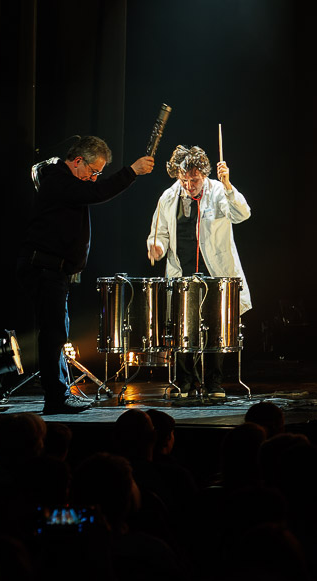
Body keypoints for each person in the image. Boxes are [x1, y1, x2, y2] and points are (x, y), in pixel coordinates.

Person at [20, 135, 154, 414]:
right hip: (46, 271)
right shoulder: (58, 180)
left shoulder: (66, 182)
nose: (93, 178)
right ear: (78, 161)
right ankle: (55, 398)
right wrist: (132, 171)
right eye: (93, 172)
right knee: (53, 335)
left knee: (58, 334)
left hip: (55, 273)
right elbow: (96, 193)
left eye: (98, 174)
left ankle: (59, 394)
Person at [145, 144, 253, 398]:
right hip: (182, 274)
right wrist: (156, 246)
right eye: (184, 180)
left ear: (204, 174)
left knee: (215, 329)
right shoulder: (168, 197)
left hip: (215, 273)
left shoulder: (218, 191)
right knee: (182, 329)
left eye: (194, 180)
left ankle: (214, 383)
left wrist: (228, 185)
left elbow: (242, 214)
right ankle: (184, 382)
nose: (189, 185)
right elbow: (159, 233)